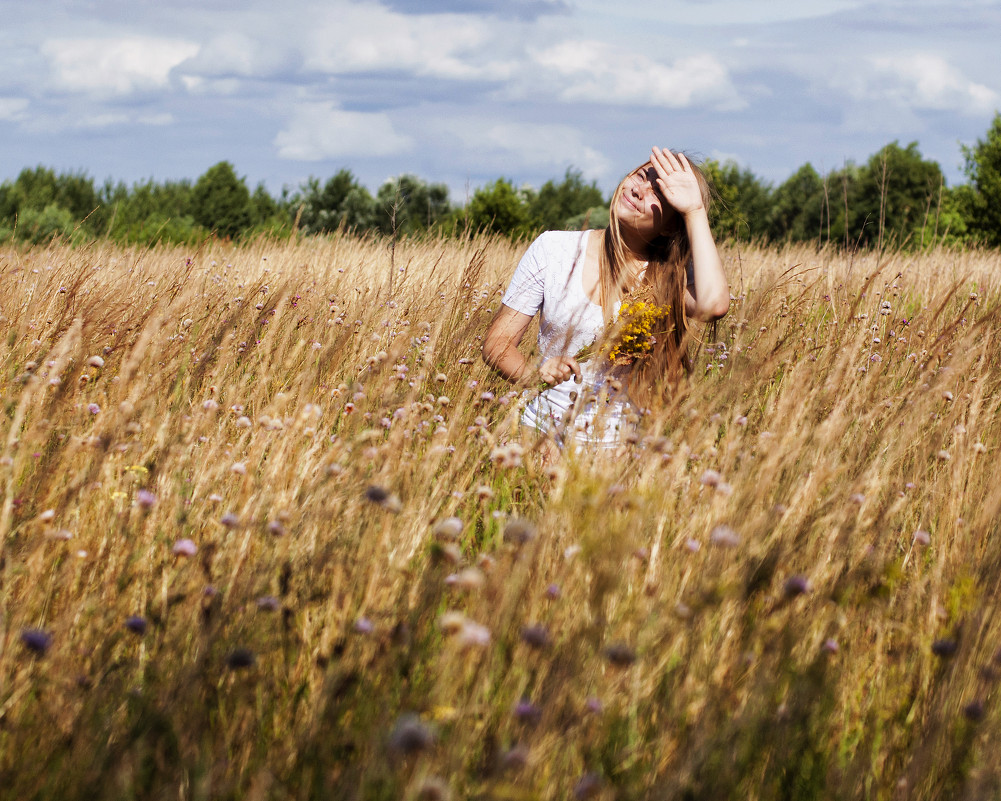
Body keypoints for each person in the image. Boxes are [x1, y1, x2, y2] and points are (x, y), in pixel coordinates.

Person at [482, 147, 730, 452]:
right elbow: (497, 344)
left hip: (618, 453)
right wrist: (535, 374)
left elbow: (714, 305)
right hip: (539, 439)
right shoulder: (552, 249)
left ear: (670, 224)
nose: (639, 190)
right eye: (640, 176)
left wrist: (694, 212)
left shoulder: (666, 276)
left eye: (659, 194)